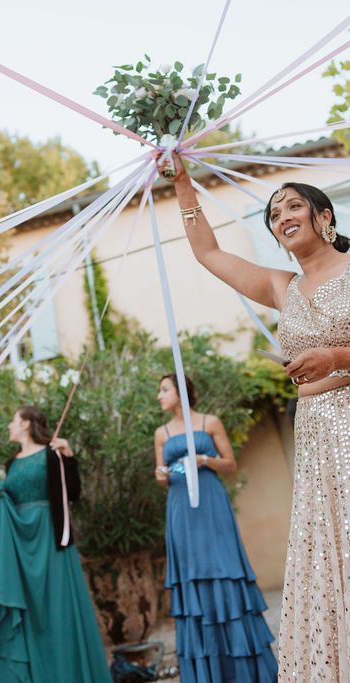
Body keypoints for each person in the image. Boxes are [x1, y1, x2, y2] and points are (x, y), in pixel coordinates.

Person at [161, 153, 350, 680]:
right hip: (316, 433)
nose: (282, 215)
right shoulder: (279, 287)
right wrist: (181, 182)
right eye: (273, 213)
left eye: (294, 205)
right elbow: (207, 252)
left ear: (323, 217)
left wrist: (336, 358)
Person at [154, 374, 277, 682]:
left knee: (223, 568)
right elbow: (161, 476)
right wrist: (160, 474)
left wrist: (205, 459)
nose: (159, 396)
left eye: (164, 389)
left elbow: (230, 464)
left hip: (211, 502)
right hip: (180, 508)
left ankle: (243, 664)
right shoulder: (161, 433)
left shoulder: (210, 422)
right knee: (191, 574)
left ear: (182, 392)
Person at [0, 406, 112, 683]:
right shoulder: (11, 464)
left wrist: (68, 458)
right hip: (22, 547)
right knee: (31, 613)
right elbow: (11, 499)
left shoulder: (51, 454)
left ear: (27, 424)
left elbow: (74, 492)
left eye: (13, 420)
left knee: (58, 609)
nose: (9, 425)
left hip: (50, 539)